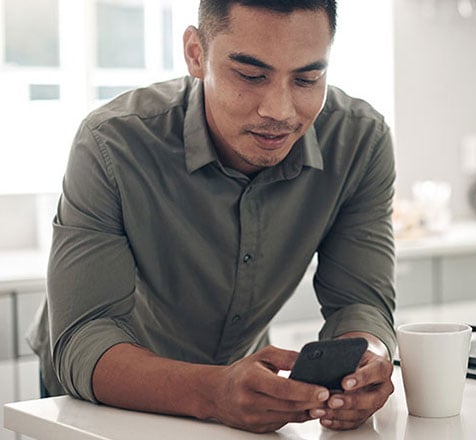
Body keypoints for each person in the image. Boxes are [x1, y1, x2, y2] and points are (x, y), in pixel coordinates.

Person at [28, 0, 397, 433]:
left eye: (307, 78)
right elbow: (83, 339)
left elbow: (360, 303)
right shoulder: (112, 144)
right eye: (251, 75)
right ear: (196, 54)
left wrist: (367, 362)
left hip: (232, 397)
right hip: (104, 398)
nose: (279, 110)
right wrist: (215, 392)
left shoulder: (360, 142)